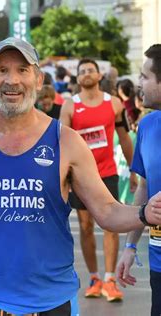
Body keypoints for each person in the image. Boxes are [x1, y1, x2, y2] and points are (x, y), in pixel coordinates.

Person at [0, 37, 161, 315]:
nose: (12, 80)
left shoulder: (66, 141)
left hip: (49, 300)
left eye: (23, 70)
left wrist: (144, 213)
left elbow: (106, 210)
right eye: (2, 70)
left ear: (38, 80)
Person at [60, 58, 136, 302]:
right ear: (78, 78)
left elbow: (124, 138)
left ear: (99, 74)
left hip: (107, 172)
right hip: (80, 176)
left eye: (90, 70)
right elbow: (61, 144)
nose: (86, 74)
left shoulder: (113, 104)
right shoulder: (70, 106)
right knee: (85, 226)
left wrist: (134, 170)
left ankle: (110, 279)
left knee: (110, 225)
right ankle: (94, 277)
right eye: (81, 71)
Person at [117, 44, 161, 316]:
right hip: (158, 262)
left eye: (145, 76)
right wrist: (130, 246)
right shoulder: (146, 125)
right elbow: (143, 188)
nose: (139, 83)